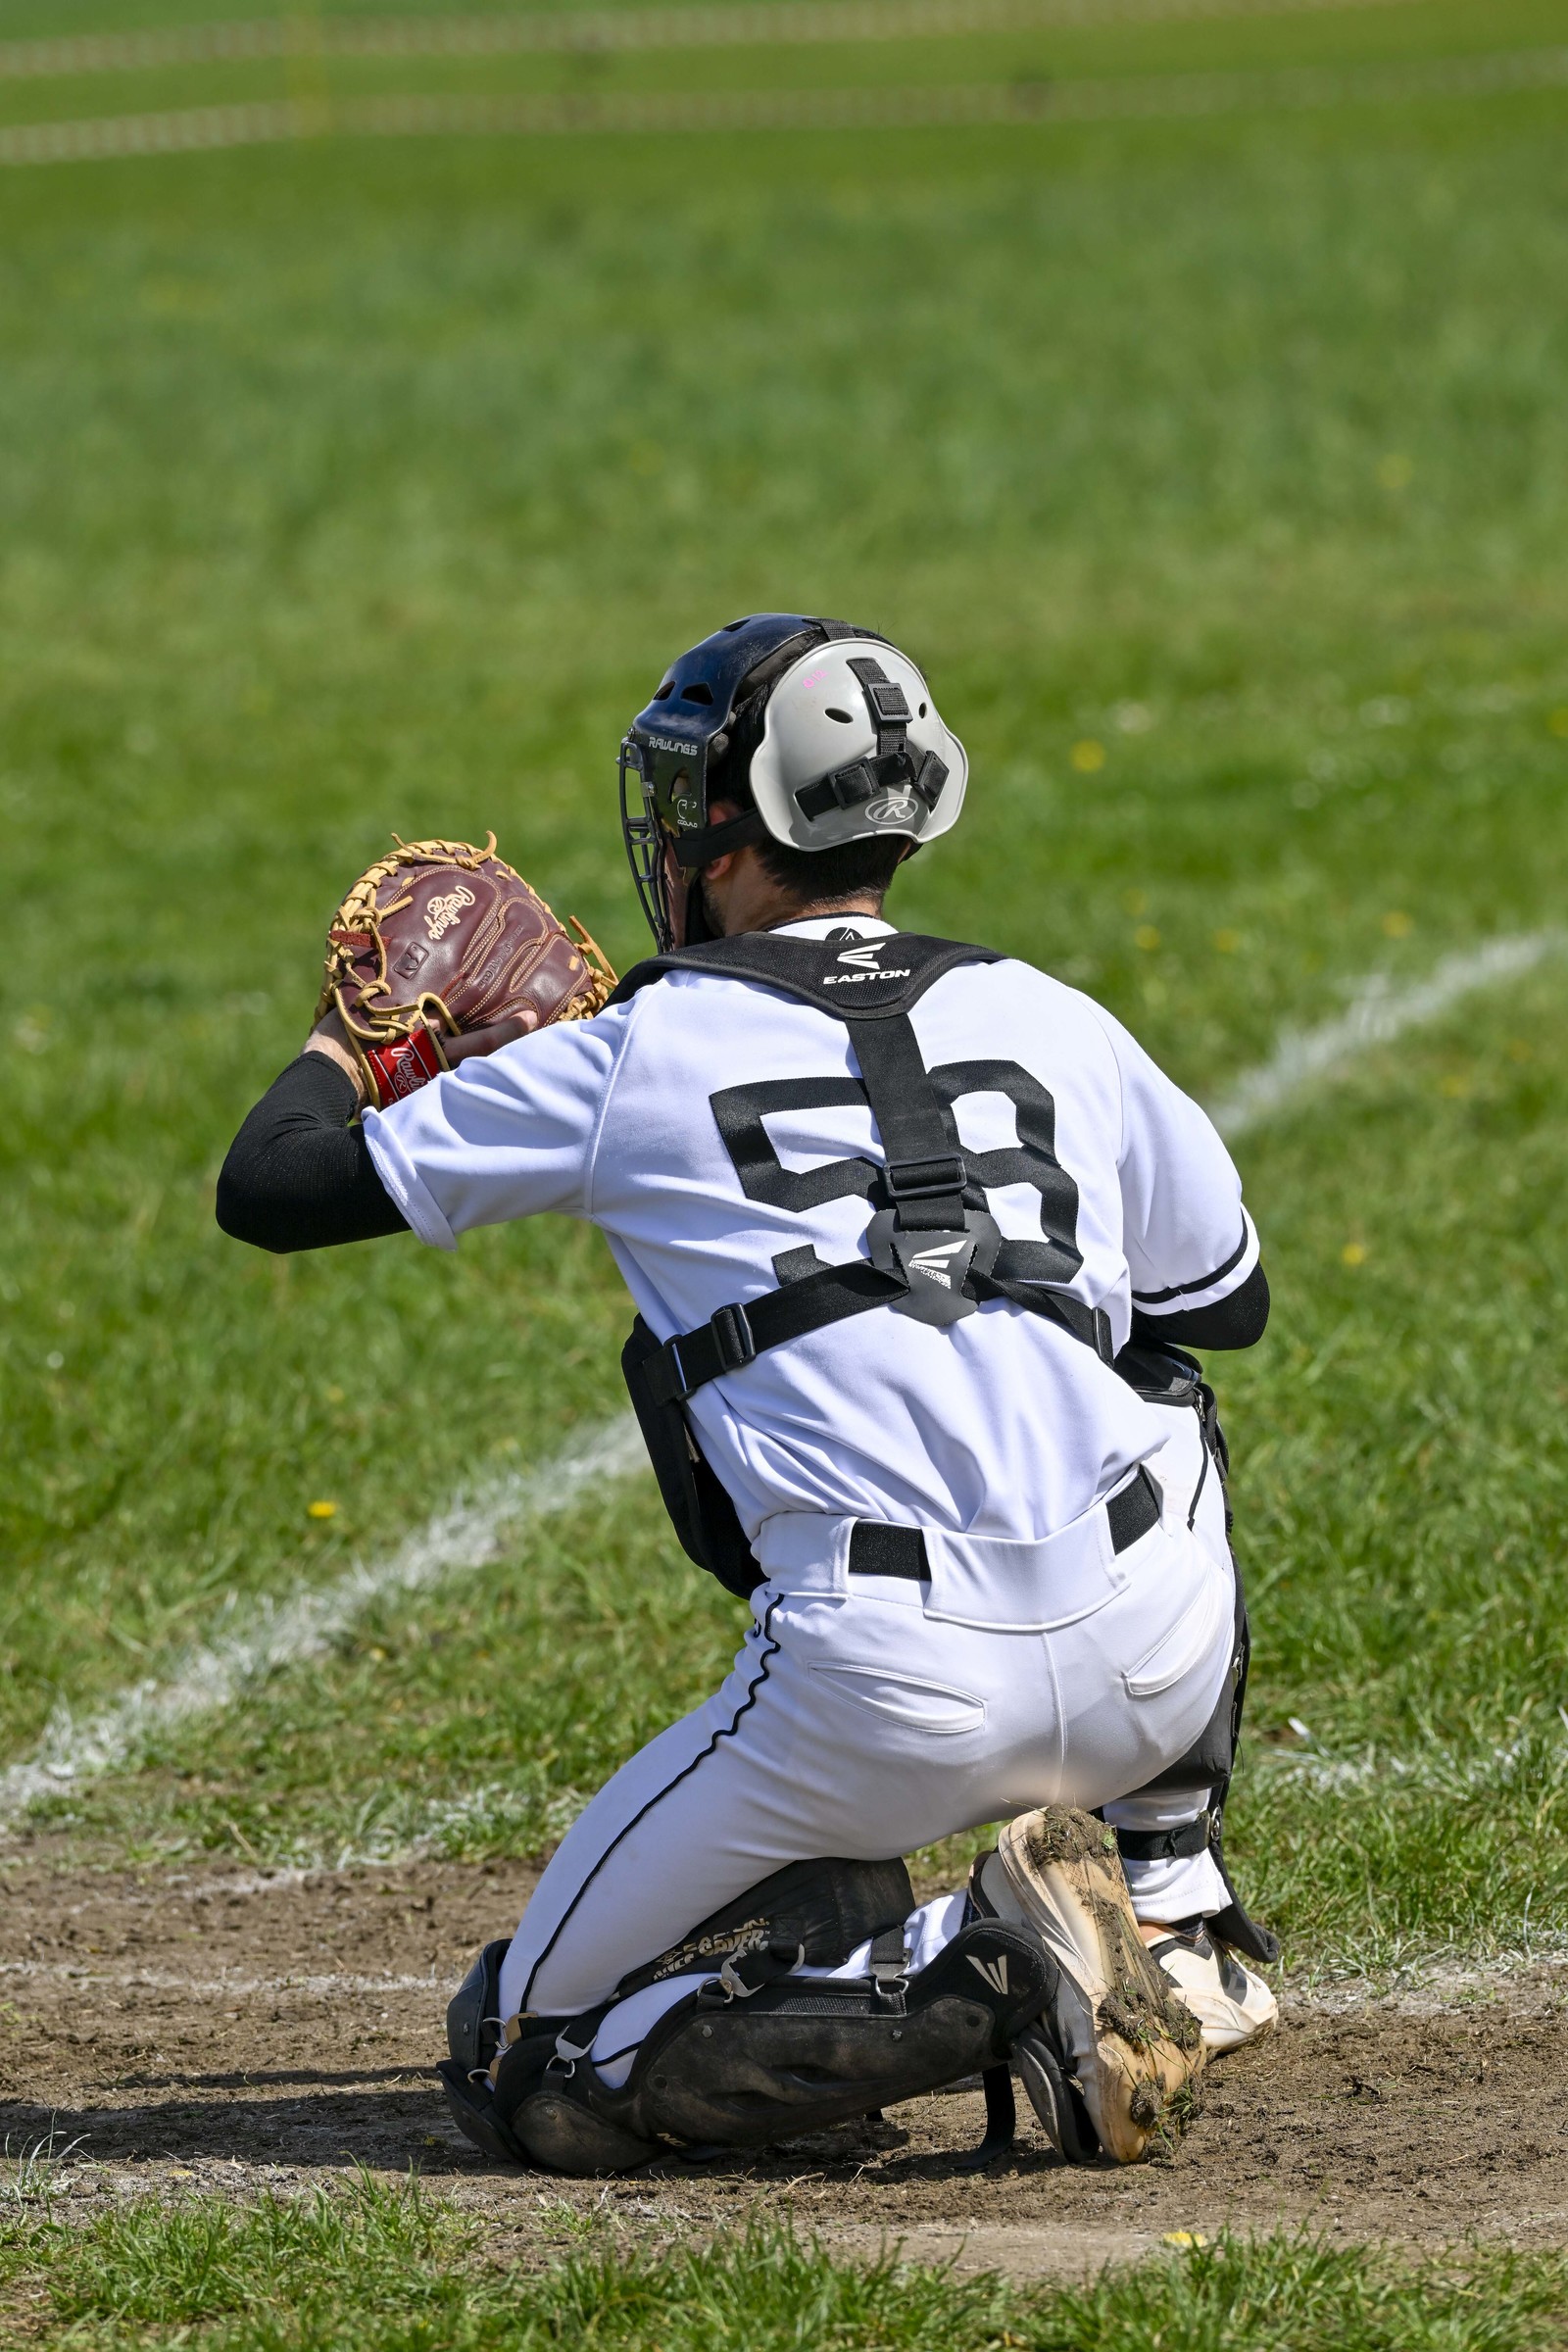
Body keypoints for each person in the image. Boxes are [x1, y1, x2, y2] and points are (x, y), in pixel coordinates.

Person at [218, 612, 1277, 2177]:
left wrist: (364, 1041)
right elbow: (1223, 1301)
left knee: (529, 2059)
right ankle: (1177, 1901)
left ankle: (971, 1964)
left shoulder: (640, 1050)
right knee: (1154, 1380)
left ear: (725, 837)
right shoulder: (1059, 1012)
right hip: (1156, 1662)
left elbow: (273, 1187)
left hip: (881, 1688)